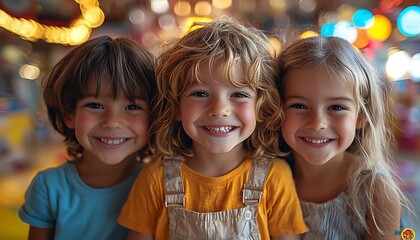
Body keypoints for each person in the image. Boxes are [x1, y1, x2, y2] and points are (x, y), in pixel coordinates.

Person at [118, 17, 308, 240]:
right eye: (200, 94)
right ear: (176, 107)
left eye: (238, 94)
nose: (219, 109)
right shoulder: (155, 178)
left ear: (260, 107)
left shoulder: (275, 178)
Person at [18, 36, 156, 240]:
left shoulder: (159, 184)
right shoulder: (49, 187)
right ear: (69, 115)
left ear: (155, 117)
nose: (112, 122)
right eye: (95, 105)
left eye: (132, 107)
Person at [277, 36, 410, 239]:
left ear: (362, 116)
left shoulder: (376, 191)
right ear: (276, 110)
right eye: (299, 106)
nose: (317, 123)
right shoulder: (266, 177)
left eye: (337, 107)